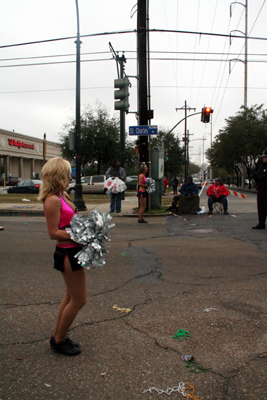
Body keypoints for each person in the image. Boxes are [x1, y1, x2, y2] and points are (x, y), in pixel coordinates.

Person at [38, 157, 86, 356]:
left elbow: (69, 222)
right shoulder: (51, 199)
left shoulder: (63, 194)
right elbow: (53, 233)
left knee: (70, 296)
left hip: (75, 250)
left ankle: (58, 335)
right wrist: (80, 234)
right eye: (67, 173)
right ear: (57, 175)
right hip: (67, 253)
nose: (70, 176)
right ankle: (59, 340)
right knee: (79, 299)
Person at [252, 149, 267, 229]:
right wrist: (258, 177)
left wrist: (259, 177)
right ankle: (261, 223)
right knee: (261, 207)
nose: (264, 158)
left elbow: (264, 177)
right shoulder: (262, 166)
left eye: (265, 157)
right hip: (261, 188)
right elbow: (256, 175)